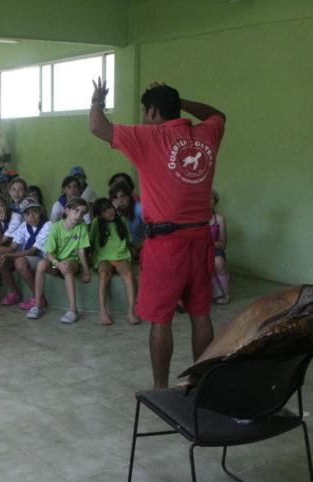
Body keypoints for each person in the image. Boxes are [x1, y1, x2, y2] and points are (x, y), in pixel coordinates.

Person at [90, 78, 226, 388]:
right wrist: (179, 102)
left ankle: (161, 389)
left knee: (160, 320)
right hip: (201, 239)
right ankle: (201, 384)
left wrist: (97, 99)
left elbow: (98, 127)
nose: (142, 117)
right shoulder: (207, 134)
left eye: (144, 111)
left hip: (166, 245)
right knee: (200, 314)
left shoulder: (149, 137)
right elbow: (218, 114)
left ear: (152, 111)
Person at [26, 198, 91, 323]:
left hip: (72, 261)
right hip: (56, 261)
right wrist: (57, 263)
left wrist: (86, 271)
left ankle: (73, 310)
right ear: (67, 210)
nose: (79, 215)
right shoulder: (55, 227)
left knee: (67, 267)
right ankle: (37, 305)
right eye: (76, 210)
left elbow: (81, 251)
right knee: (41, 264)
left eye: (82, 213)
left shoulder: (82, 226)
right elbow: (49, 253)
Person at [90, 198, 140, 326]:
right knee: (104, 275)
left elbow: (128, 241)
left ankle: (131, 311)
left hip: (121, 256)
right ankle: (102, 311)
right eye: (104, 211)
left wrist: (133, 255)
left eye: (110, 207)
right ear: (99, 215)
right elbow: (90, 242)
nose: (110, 211)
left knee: (129, 275)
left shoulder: (122, 220)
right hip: (103, 258)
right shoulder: (96, 223)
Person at [0, 199, 51, 310]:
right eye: (27, 214)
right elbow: (13, 247)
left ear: (40, 212)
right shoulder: (24, 225)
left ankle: (39, 298)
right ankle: (15, 293)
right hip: (33, 258)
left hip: (46, 260)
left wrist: (9, 255)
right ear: (23, 216)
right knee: (0, 261)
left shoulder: (48, 225)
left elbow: (33, 251)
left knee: (20, 262)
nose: (31, 216)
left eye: (34, 212)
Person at [109, 182, 145, 260]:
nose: (120, 201)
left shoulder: (139, 208)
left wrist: (135, 247)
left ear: (129, 196)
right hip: (120, 247)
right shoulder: (111, 211)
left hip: (140, 244)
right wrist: (112, 213)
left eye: (123, 196)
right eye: (116, 198)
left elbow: (152, 232)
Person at [209, 190, 230, 305]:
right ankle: (217, 290)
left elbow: (223, 244)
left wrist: (208, 242)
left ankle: (225, 293)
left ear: (215, 201)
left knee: (219, 262)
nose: (207, 201)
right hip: (199, 251)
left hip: (215, 249)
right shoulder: (196, 219)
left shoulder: (220, 219)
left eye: (211, 198)